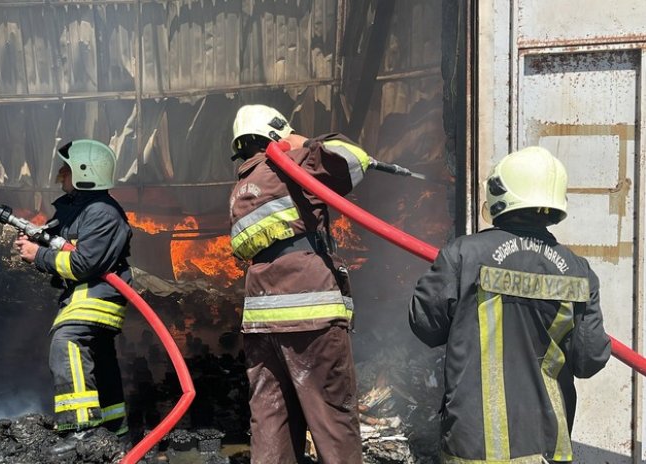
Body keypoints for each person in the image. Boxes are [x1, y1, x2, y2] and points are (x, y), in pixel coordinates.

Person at [409, 146, 611, 463]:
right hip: (546, 446)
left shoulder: (463, 254)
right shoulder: (578, 270)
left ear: (499, 195)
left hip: (473, 445)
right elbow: (590, 360)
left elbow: (426, 325)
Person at [228, 104, 373, 463]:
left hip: (262, 323)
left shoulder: (240, 190)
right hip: (313, 320)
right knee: (332, 420)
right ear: (276, 134)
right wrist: (304, 142)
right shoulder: (292, 164)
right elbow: (356, 159)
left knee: (271, 422)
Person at [15, 139, 132, 454]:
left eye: (66, 169)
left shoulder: (103, 213)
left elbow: (84, 263)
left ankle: (82, 430)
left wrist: (37, 255)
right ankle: (115, 435)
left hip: (95, 296)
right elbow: (64, 247)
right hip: (82, 294)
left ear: (84, 171)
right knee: (99, 359)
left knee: (66, 343)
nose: (60, 174)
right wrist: (39, 242)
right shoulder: (80, 209)